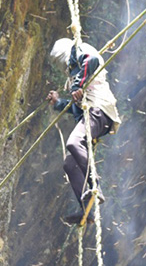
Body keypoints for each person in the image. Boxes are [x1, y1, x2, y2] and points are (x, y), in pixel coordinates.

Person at [46, 38, 120, 221]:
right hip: (91, 114)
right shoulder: (75, 75)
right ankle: (86, 210)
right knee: (69, 165)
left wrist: (78, 85)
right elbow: (76, 107)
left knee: (73, 143)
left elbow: (92, 59)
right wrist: (58, 103)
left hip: (99, 111)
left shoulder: (80, 51)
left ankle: (95, 185)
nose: (63, 67)